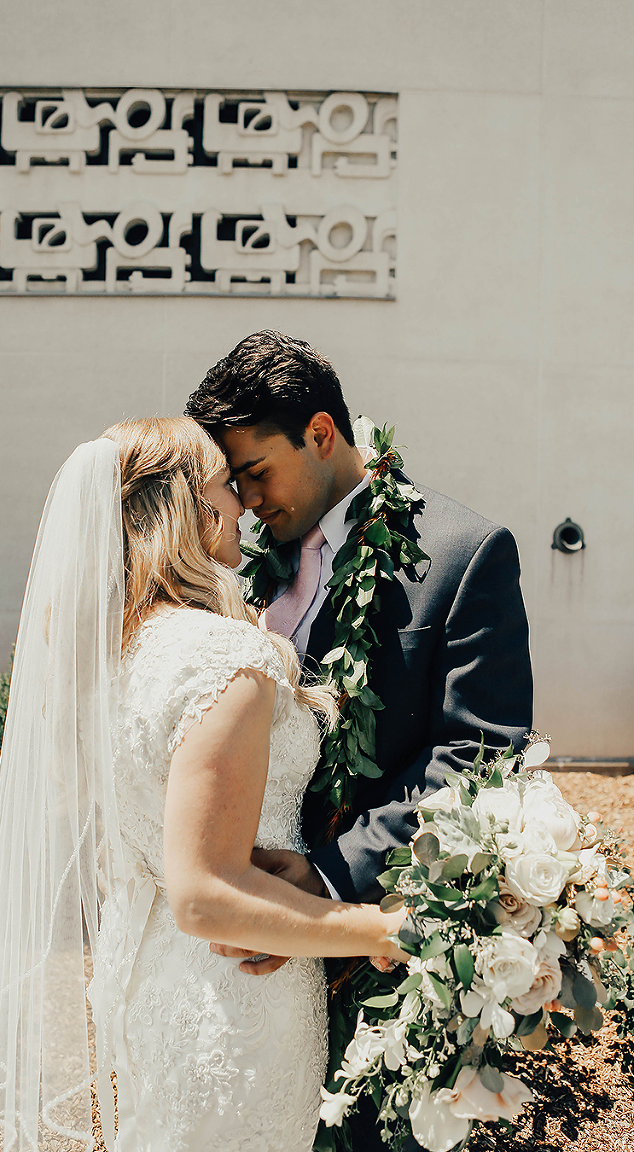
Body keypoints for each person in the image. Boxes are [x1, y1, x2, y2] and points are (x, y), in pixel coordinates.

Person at [0, 417, 408, 1152]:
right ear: (187, 510)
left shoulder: (112, 655)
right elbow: (205, 893)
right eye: (226, 485)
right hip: (235, 997)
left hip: (150, 982)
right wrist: (375, 929)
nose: (243, 504)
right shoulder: (225, 658)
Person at [185, 331, 533, 1147]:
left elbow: (477, 756)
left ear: (319, 433)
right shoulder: (241, 561)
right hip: (235, 948)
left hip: (374, 949)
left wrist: (328, 877)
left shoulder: (463, 555)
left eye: (256, 471)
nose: (246, 500)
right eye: (234, 480)